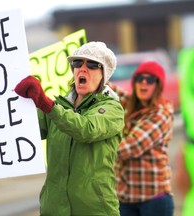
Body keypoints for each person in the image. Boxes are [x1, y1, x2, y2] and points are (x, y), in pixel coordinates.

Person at [14, 41, 124, 215]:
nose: (83, 68)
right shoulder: (58, 107)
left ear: (104, 74)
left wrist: (45, 103)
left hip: (95, 211)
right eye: (77, 63)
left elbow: (87, 129)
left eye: (93, 64)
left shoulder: (112, 109)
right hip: (54, 210)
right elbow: (16, 130)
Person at [109, 61, 174, 216]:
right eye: (140, 78)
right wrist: (91, 77)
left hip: (153, 201)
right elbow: (110, 92)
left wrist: (95, 149)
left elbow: (130, 147)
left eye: (150, 80)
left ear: (158, 86)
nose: (144, 83)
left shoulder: (160, 114)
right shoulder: (132, 105)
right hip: (126, 198)